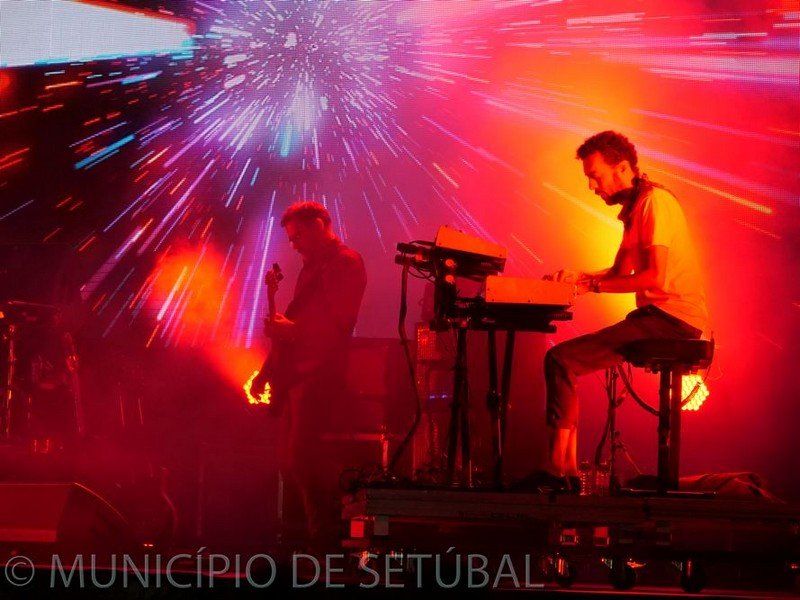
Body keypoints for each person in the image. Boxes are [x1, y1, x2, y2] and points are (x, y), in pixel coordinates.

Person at [531, 131, 709, 493]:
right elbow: (618, 272)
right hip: (659, 318)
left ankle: (557, 471)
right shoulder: (635, 208)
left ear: (623, 168)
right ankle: (564, 472)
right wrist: (579, 278)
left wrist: (592, 287)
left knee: (561, 360)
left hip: (673, 321)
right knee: (562, 361)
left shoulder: (654, 203)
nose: (591, 187)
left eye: (595, 176)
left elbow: (653, 276)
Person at [250, 200, 367, 552]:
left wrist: (293, 331)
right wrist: (267, 371)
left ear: (318, 225)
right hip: (299, 377)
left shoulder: (345, 263)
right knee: (292, 462)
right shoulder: (312, 269)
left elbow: (339, 323)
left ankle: (330, 535)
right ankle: (320, 537)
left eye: (297, 236)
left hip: (319, 375)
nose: (293, 245)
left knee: (302, 460)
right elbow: (297, 323)